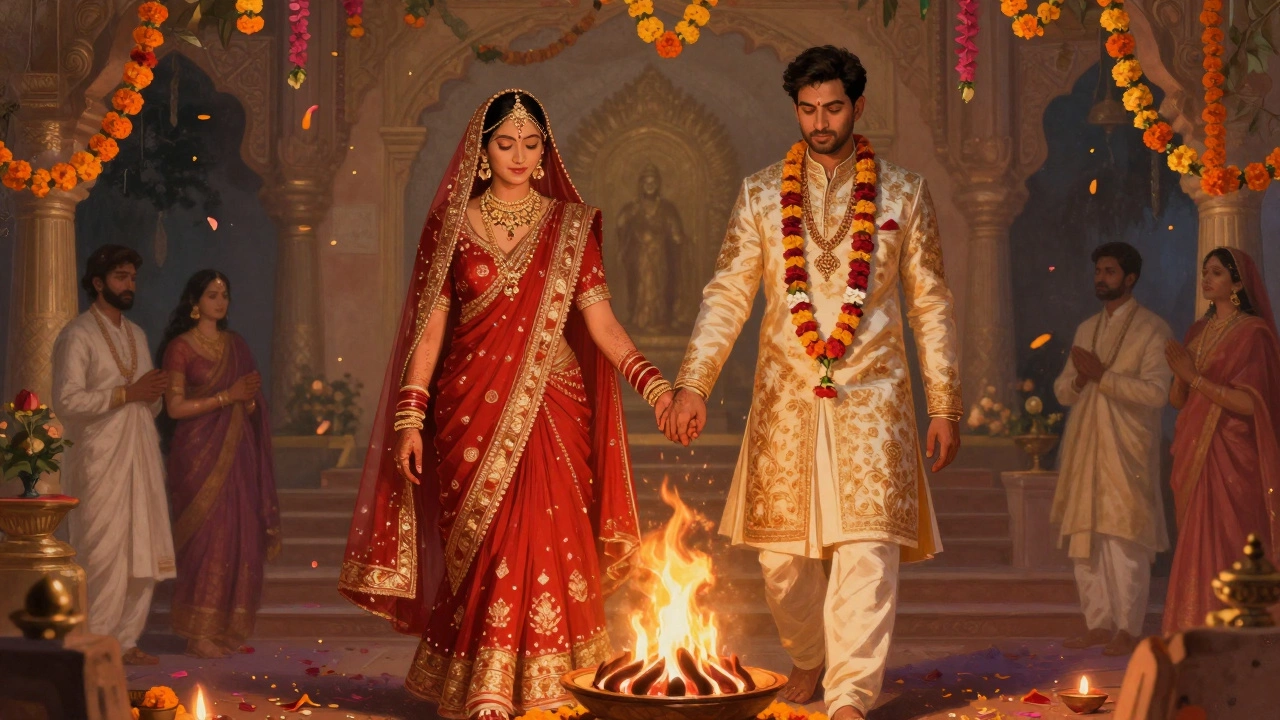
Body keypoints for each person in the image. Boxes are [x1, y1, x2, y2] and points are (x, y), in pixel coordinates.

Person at [339, 90, 674, 720]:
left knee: (548, 534)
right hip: (469, 409)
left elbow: (601, 324)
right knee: (488, 540)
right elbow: (430, 332)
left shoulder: (571, 226)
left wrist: (656, 387)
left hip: (554, 406)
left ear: (545, 151)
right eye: (505, 143)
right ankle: (487, 678)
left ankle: (557, 681)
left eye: (531, 143)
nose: (519, 155)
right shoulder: (450, 226)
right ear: (482, 150)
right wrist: (410, 418)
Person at [664, 47, 963, 720]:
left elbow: (931, 304)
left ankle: (850, 698)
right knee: (781, 565)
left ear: (858, 106)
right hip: (787, 398)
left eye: (832, 108)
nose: (820, 122)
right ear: (795, 110)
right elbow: (727, 294)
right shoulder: (761, 194)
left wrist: (944, 402)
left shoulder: (904, 193)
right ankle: (809, 654)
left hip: (875, 399)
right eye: (807, 109)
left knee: (867, 554)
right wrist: (694, 384)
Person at [52, 245, 174, 665]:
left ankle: (126, 641)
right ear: (98, 282)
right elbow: (67, 401)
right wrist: (128, 393)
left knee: (143, 552)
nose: (129, 285)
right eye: (121, 277)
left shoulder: (136, 334)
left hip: (140, 455)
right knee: (102, 554)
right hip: (98, 459)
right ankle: (97, 645)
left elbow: (148, 403)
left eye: (132, 278)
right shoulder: (77, 334)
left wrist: (151, 395)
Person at [1050, 242, 1171, 656]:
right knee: (1085, 540)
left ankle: (1127, 629)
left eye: (1110, 272)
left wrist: (1103, 376)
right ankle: (1098, 624)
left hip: (1128, 449)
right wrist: (1080, 380)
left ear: (1130, 278)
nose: (1101, 279)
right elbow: (1063, 391)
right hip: (1085, 448)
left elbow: (1157, 393)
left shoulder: (1152, 329)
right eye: (1098, 271)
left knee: (1125, 539)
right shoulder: (1087, 329)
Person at [157, 270, 278, 659]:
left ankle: (224, 627)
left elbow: (253, 407)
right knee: (206, 539)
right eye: (212, 295)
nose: (220, 302)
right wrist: (228, 396)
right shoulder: (180, 348)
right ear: (195, 303)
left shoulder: (236, 345)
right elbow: (175, 408)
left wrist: (250, 401)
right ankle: (198, 633)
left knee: (236, 534)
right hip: (195, 454)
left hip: (237, 454)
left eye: (224, 295)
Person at [1162, 247, 1280, 633]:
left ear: (1238, 283)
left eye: (1216, 272)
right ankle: (1194, 632)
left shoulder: (1253, 334)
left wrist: (1194, 377)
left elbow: (1250, 403)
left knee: (1232, 539)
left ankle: (1238, 638)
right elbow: (1178, 401)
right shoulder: (1197, 332)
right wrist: (1180, 374)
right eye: (1205, 271)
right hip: (1197, 455)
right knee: (1197, 542)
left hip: (1235, 459)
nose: (1206, 279)